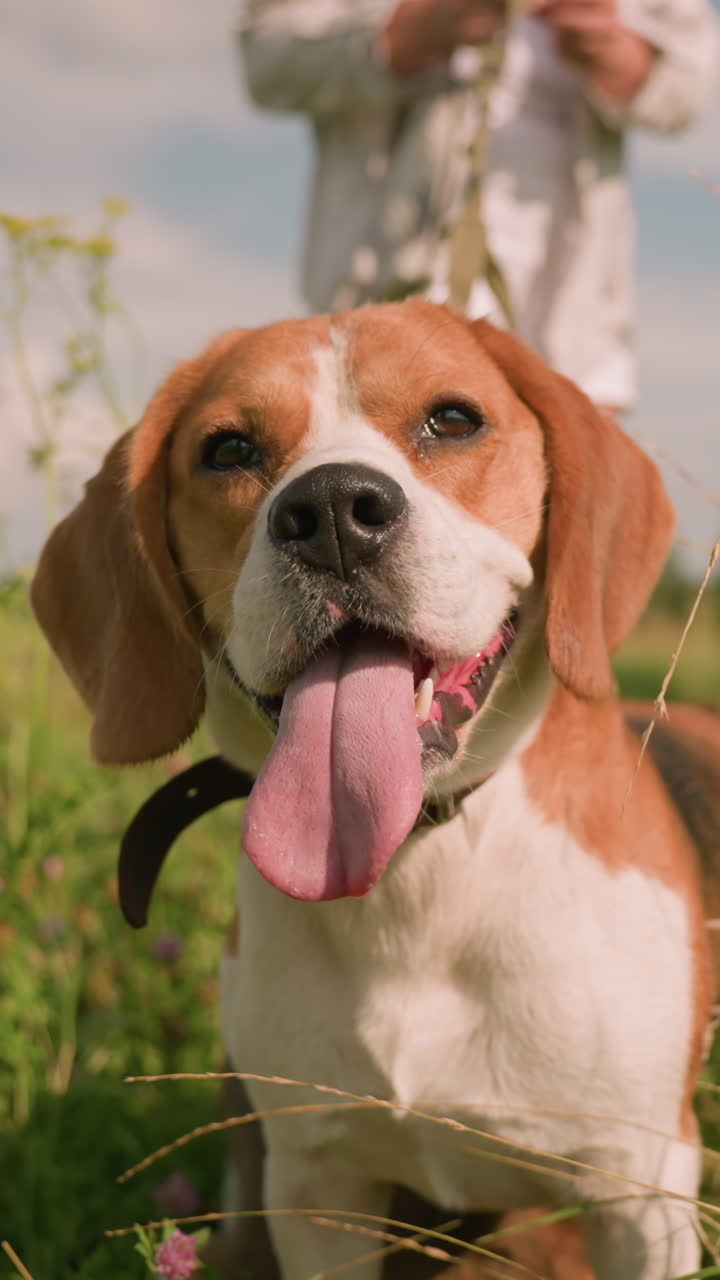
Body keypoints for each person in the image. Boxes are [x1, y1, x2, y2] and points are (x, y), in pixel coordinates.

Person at [236, 0, 718, 415]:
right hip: (377, 286)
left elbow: (687, 88)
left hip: (571, 308)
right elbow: (268, 62)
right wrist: (409, 33)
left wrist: (612, 49)